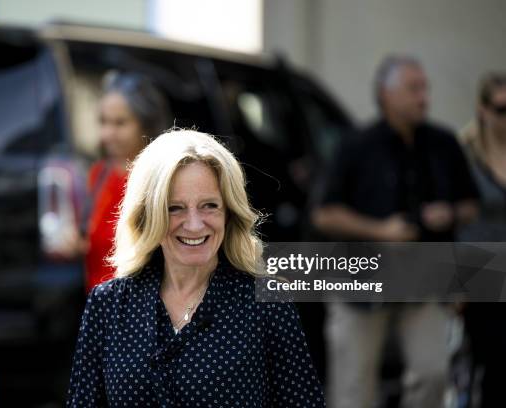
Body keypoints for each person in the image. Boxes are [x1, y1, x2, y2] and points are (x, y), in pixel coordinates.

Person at [67, 130, 325, 407]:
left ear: (229, 212)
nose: (194, 224)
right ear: (148, 214)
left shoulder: (269, 303)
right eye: (175, 208)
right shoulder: (107, 305)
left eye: (209, 206)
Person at [312, 55, 479, 408]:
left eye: (425, 88)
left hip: (425, 275)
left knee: (432, 373)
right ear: (386, 95)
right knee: (355, 385)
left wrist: (448, 213)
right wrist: (380, 230)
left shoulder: (444, 142)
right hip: (360, 277)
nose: (424, 97)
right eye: (413, 88)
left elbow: (471, 204)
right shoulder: (356, 144)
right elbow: (325, 215)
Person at [84, 72, 172, 292]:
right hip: (100, 308)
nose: (107, 134)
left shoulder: (161, 181)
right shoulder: (99, 174)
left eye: (120, 123)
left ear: (145, 125)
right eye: (103, 122)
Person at [458, 72, 506, 407]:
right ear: (483, 110)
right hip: (481, 273)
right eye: (502, 109)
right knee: (491, 364)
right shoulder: (464, 156)